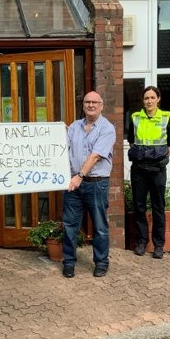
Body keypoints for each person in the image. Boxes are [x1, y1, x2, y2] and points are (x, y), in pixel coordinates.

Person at [62, 91, 116, 278]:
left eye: (95, 102)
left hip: (96, 184)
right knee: (70, 225)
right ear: (83, 105)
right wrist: (56, 132)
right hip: (73, 185)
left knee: (100, 226)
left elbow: (95, 157)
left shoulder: (107, 128)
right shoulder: (74, 127)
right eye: (87, 102)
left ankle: (101, 262)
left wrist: (79, 176)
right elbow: (63, 149)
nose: (91, 105)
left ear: (101, 105)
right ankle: (68, 262)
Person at [127, 85, 170, 260]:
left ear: (158, 99)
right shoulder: (135, 118)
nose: (149, 101)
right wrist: (143, 156)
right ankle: (141, 242)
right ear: (143, 101)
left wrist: (160, 158)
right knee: (139, 207)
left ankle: (158, 245)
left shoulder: (166, 118)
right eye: (146, 98)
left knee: (158, 208)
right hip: (139, 170)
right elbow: (132, 141)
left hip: (157, 170)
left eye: (152, 98)